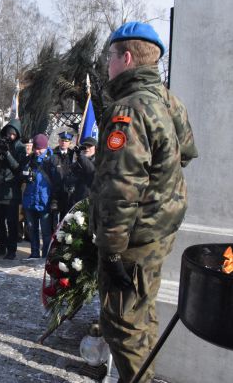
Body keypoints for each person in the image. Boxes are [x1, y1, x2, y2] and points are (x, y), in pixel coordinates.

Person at [91, 21, 197, 382]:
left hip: (134, 240)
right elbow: (186, 153)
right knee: (143, 313)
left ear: (128, 58)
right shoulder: (169, 101)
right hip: (159, 232)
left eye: (110, 57)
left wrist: (114, 250)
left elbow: (121, 188)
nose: (107, 65)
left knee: (123, 323)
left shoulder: (130, 110)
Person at [0, 119, 26, 259]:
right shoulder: (1, 143)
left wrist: (7, 154)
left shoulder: (20, 148)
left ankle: (12, 250)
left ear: (17, 135)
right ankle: (0, 247)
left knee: (12, 222)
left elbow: (18, 168)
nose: (9, 136)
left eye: (12, 134)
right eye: (7, 133)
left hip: (11, 191)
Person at [21, 133, 53, 258]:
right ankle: (34, 252)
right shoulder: (29, 159)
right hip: (30, 199)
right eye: (36, 148)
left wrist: (54, 200)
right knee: (31, 229)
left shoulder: (51, 160)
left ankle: (46, 254)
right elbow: (21, 174)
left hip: (45, 201)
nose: (37, 151)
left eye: (40, 149)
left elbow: (57, 182)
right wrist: (25, 177)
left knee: (46, 231)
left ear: (46, 147)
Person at [50, 131, 76, 220]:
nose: (64, 143)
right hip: (55, 193)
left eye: (66, 141)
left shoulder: (73, 154)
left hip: (68, 192)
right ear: (59, 141)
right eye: (62, 140)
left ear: (70, 143)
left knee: (65, 219)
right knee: (53, 220)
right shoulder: (52, 153)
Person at [65, 136, 96, 208]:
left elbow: (91, 170)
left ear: (95, 148)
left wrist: (81, 156)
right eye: (84, 146)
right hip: (74, 201)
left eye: (90, 146)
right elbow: (68, 180)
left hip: (89, 202)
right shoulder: (78, 162)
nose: (86, 149)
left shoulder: (99, 162)